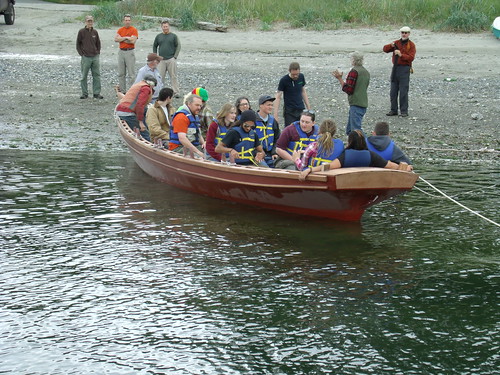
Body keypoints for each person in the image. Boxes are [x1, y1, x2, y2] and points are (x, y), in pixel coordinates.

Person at [299, 129, 411, 181]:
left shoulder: (346, 155)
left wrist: (310, 170)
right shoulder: (371, 155)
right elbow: (392, 166)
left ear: (350, 142)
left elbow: (328, 166)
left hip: (346, 182)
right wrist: (406, 167)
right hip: (364, 182)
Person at [332, 51, 370, 135]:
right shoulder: (366, 72)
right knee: (349, 131)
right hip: (363, 103)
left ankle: (366, 145)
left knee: (356, 131)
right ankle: (352, 145)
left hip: (356, 103)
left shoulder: (354, 72)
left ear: (353, 60)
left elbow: (348, 89)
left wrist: (339, 79)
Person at [383, 26, 416, 117]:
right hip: (395, 68)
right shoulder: (396, 43)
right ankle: (393, 110)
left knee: (403, 91)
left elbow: (411, 58)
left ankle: (404, 111)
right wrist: (391, 45)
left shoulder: (411, 45)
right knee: (393, 91)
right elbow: (385, 49)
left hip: (405, 69)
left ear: (409, 34)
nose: (404, 34)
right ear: (400, 33)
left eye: (406, 33)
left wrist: (401, 55)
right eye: (402, 32)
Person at [115, 75, 157, 142]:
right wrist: (140, 122)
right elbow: (140, 105)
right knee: (145, 134)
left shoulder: (138, 85)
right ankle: (149, 143)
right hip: (127, 113)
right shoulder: (146, 88)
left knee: (145, 110)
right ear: (152, 85)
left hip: (121, 109)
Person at [273, 62, 311, 127]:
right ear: (289, 71)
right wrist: (275, 115)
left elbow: (303, 91)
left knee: (303, 128)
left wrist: (309, 108)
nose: (295, 76)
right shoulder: (284, 80)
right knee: (290, 130)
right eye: (293, 74)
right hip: (289, 111)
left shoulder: (301, 77)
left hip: (300, 108)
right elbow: (278, 97)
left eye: (297, 74)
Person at [169, 93, 205, 158]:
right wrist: (197, 152)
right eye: (196, 105)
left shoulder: (194, 116)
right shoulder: (181, 117)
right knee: (199, 157)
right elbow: (182, 139)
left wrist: (203, 143)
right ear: (189, 104)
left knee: (211, 153)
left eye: (200, 106)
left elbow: (198, 134)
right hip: (179, 147)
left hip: (193, 145)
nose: (199, 108)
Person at [76, 15, 102, 99]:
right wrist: (81, 54)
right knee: (84, 76)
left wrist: (97, 52)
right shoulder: (81, 32)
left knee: (96, 75)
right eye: (88, 21)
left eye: (91, 21)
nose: (90, 23)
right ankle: (84, 93)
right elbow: (78, 44)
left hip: (95, 57)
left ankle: (96, 93)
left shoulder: (95, 32)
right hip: (86, 57)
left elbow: (98, 43)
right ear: (85, 22)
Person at [153, 20, 181, 98]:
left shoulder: (173, 36)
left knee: (173, 76)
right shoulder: (159, 36)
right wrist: (155, 56)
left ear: (169, 27)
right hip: (161, 60)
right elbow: (155, 46)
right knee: (160, 77)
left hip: (171, 59)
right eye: (164, 27)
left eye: (167, 26)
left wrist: (175, 56)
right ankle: (159, 92)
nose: (165, 28)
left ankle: (176, 92)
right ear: (161, 27)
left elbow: (178, 46)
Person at [114, 14, 138, 93]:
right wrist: (126, 38)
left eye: (129, 20)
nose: (127, 22)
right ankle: (123, 91)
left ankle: (132, 91)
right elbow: (116, 39)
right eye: (126, 20)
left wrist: (122, 38)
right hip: (121, 52)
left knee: (131, 74)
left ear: (130, 21)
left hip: (129, 52)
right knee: (121, 73)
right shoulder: (120, 30)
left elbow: (133, 40)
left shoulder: (134, 30)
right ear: (123, 21)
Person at [255, 95, 280, 167]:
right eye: (268, 105)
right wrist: (256, 152)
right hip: (257, 154)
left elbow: (277, 138)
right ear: (261, 106)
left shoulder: (273, 121)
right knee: (265, 168)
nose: (271, 107)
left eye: (272, 105)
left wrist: (274, 152)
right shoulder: (253, 120)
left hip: (270, 154)